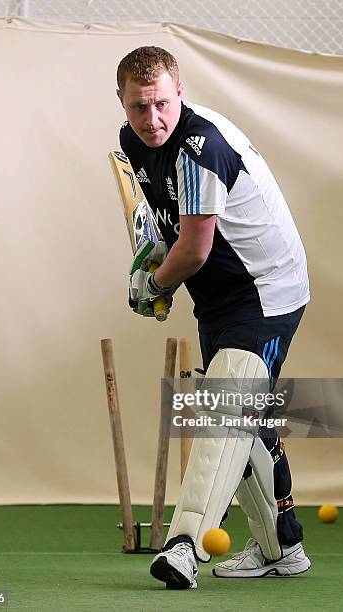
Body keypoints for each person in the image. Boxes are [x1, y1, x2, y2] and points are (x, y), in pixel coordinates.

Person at [115, 46, 311, 590]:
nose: (150, 120)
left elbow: (195, 249)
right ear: (122, 103)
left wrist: (152, 286)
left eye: (160, 104)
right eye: (137, 107)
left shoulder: (201, 148)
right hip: (219, 295)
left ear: (180, 93)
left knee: (226, 403)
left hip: (266, 289)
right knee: (245, 419)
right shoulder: (134, 143)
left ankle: (183, 545)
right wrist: (155, 260)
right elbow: (165, 225)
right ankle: (281, 546)